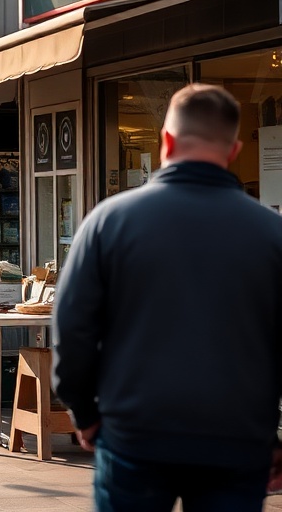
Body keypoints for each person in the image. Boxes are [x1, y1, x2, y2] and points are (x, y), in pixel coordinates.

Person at [52, 83, 282, 511]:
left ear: (167, 142)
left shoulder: (109, 222)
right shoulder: (271, 234)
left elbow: (73, 330)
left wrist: (84, 412)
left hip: (134, 434)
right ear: (233, 151)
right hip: (236, 440)